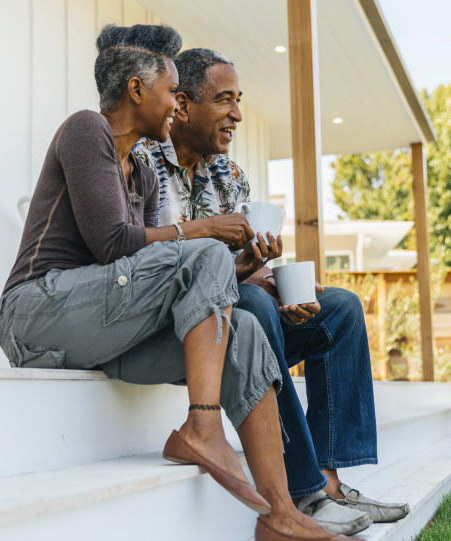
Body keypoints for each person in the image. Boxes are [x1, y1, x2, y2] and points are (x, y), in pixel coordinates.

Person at [0, 24, 359, 541]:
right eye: (171, 91)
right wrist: (208, 231)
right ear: (136, 90)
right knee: (204, 250)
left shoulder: (141, 176)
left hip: (99, 332)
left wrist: (233, 271)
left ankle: (281, 514)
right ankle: (203, 426)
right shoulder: (85, 130)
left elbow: (160, 266)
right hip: (35, 315)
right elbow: (112, 245)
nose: (176, 104)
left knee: (246, 335)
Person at [133, 47, 410, 537]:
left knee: (339, 308)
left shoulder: (230, 175)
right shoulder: (142, 161)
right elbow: (145, 264)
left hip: (239, 310)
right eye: (224, 100)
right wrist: (249, 281)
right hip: (182, 328)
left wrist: (275, 279)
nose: (237, 114)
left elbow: (243, 272)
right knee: (256, 304)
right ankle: (301, 489)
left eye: (239, 101)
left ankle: (329, 480)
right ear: (183, 104)